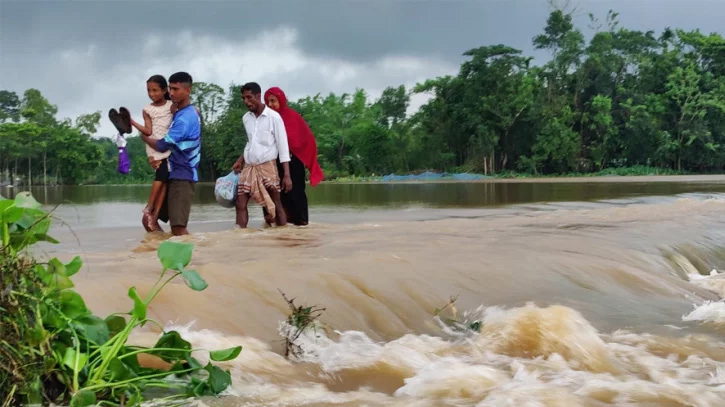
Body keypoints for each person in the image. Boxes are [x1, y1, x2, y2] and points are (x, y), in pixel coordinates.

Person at [139, 72, 201, 236]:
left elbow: (162, 144)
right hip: (171, 173)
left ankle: (193, 259)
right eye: (170, 89)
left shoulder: (184, 118)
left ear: (188, 90)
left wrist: (143, 136)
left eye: (176, 89)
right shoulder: (179, 113)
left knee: (178, 228)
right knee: (151, 220)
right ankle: (162, 254)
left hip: (183, 175)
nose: (171, 93)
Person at [232, 82, 292, 228]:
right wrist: (240, 160)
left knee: (276, 203)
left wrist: (286, 175)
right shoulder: (246, 118)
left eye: (249, 97)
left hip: (267, 167)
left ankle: (284, 235)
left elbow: (283, 147)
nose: (246, 102)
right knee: (240, 203)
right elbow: (250, 142)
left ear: (258, 96)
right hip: (249, 167)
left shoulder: (274, 117)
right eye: (244, 98)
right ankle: (240, 236)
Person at [263, 87, 324, 226]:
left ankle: (300, 224)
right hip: (271, 163)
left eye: (273, 101)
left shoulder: (292, 117)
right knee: (273, 196)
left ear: (281, 101)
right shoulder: (265, 119)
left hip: (293, 163)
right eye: (268, 102)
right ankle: (278, 225)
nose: (271, 104)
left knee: (295, 195)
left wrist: (287, 172)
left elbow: (303, 139)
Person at [129, 75, 174, 232]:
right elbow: (148, 131)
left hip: (167, 146)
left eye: (155, 90)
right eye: (149, 90)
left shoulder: (171, 106)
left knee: (166, 179)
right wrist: (132, 122)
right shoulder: (147, 110)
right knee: (161, 175)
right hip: (154, 146)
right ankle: (149, 207)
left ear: (164, 90)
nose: (152, 94)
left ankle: (154, 214)